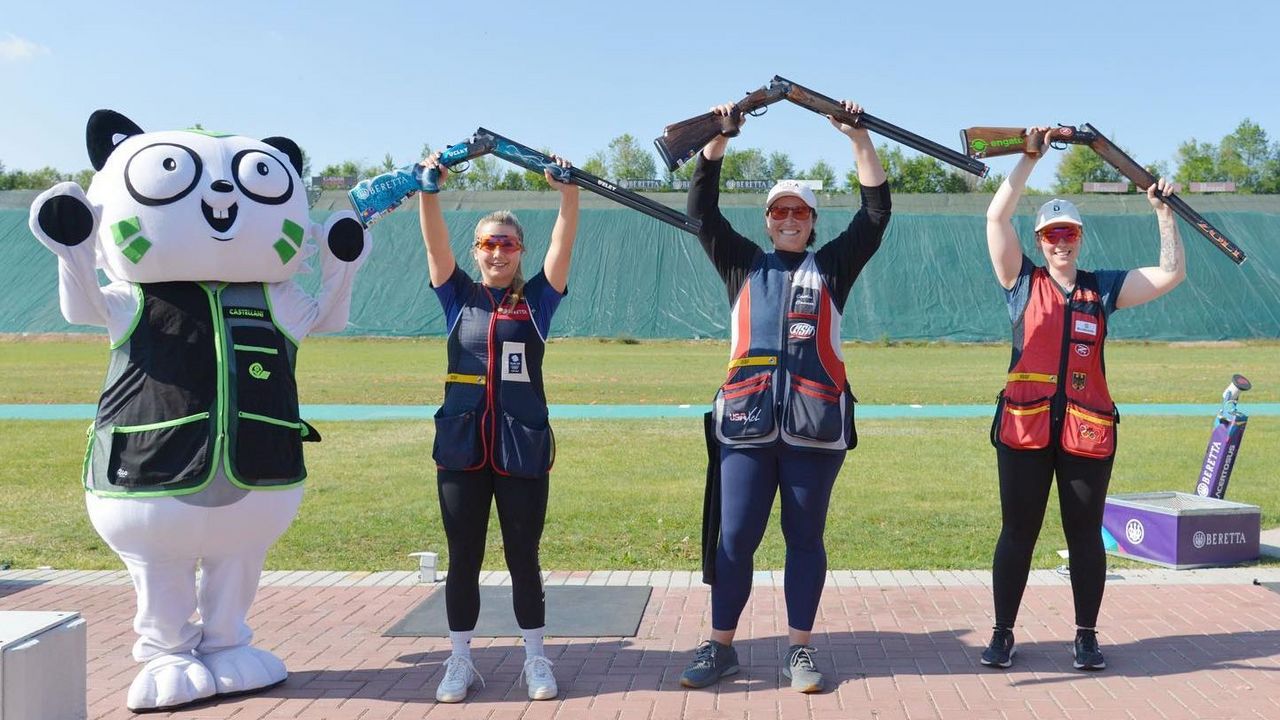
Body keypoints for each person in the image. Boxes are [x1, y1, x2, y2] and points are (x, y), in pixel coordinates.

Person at [679, 100, 890, 693]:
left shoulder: (833, 268)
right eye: (779, 211)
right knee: (735, 537)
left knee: (804, 539)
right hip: (745, 427)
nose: (789, 218)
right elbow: (702, 210)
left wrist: (859, 139)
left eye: (799, 211)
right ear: (768, 222)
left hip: (814, 430)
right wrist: (718, 139)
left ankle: (799, 649)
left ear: (812, 221)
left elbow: (876, 214)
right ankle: (721, 647)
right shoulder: (741, 264)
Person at [981, 127, 1186, 671]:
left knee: (1084, 535)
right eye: (1051, 234)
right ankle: (1002, 633)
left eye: (1068, 232)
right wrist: (1029, 159)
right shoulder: (1020, 280)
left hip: (1085, 433)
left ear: (1079, 237)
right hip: (1024, 430)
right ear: (1041, 239)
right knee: (1017, 533)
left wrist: (1163, 212)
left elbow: (1170, 274)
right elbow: (996, 219)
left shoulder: (1104, 287)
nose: (1060, 242)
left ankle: (1086, 636)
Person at [417, 152, 579, 703]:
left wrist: (568, 191)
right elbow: (435, 243)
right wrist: (428, 190)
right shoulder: (456, 295)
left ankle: (536, 657)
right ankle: (459, 662)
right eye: (488, 243)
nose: (498, 252)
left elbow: (562, 246)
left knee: (522, 557)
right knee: (463, 557)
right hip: (461, 450)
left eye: (508, 243)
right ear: (476, 252)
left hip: (522, 450)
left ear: (520, 252)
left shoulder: (536, 301)